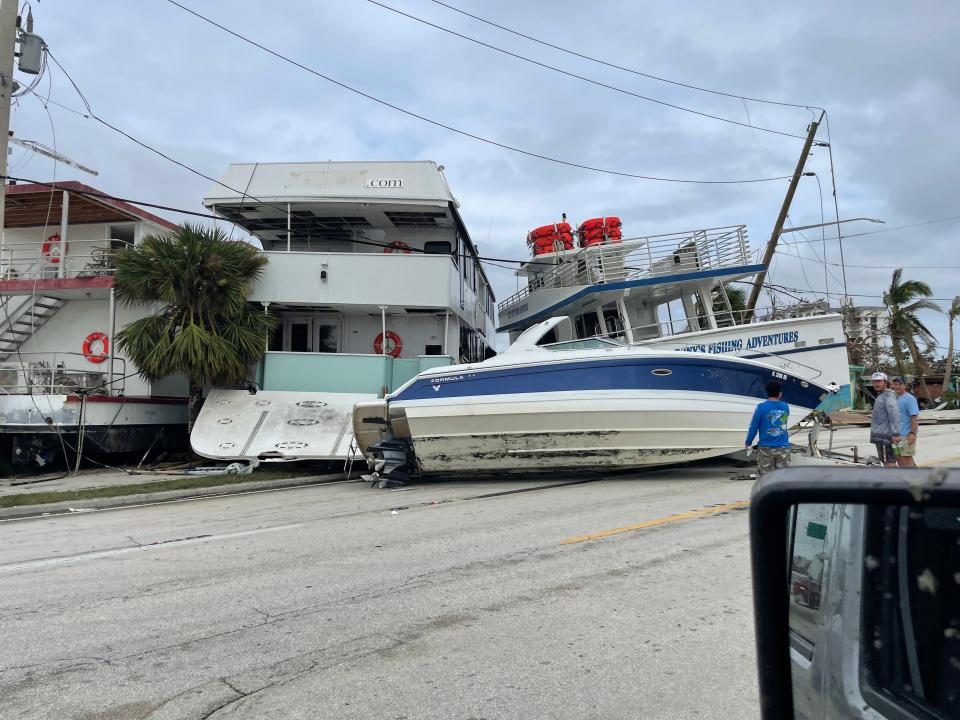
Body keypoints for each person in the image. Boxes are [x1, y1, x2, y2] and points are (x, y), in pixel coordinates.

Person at [745, 379, 791, 476]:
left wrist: (748, 442)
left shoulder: (761, 407)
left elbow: (753, 427)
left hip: (765, 448)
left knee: (765, 479)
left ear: (767, 392)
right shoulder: (785, 407)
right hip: (783, 447)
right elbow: (782, 423)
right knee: (783, 479)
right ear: (780, 394)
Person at [869, 371, 901, 468]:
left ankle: (894, 482)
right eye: (874, 382)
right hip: (883, 436)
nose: (876, 384)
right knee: (891, 461)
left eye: (879, 381)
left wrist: (896, 434)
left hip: (885, 437)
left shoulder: (888, 395)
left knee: (888, 463)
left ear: (885, 382)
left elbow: (894, 414)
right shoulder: (883, 395)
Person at [891, 376, 920, 468]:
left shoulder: (910, 399)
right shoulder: (894, 398)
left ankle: (914, 479)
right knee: (899, 457)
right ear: (893, 386)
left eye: (900, 384)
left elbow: (914, 417)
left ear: (905, 385)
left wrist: (912, 433)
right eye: (896, 384)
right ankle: (905, 478)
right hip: (896, 436)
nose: (898, 386)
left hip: (906, 435)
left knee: (906, 457)